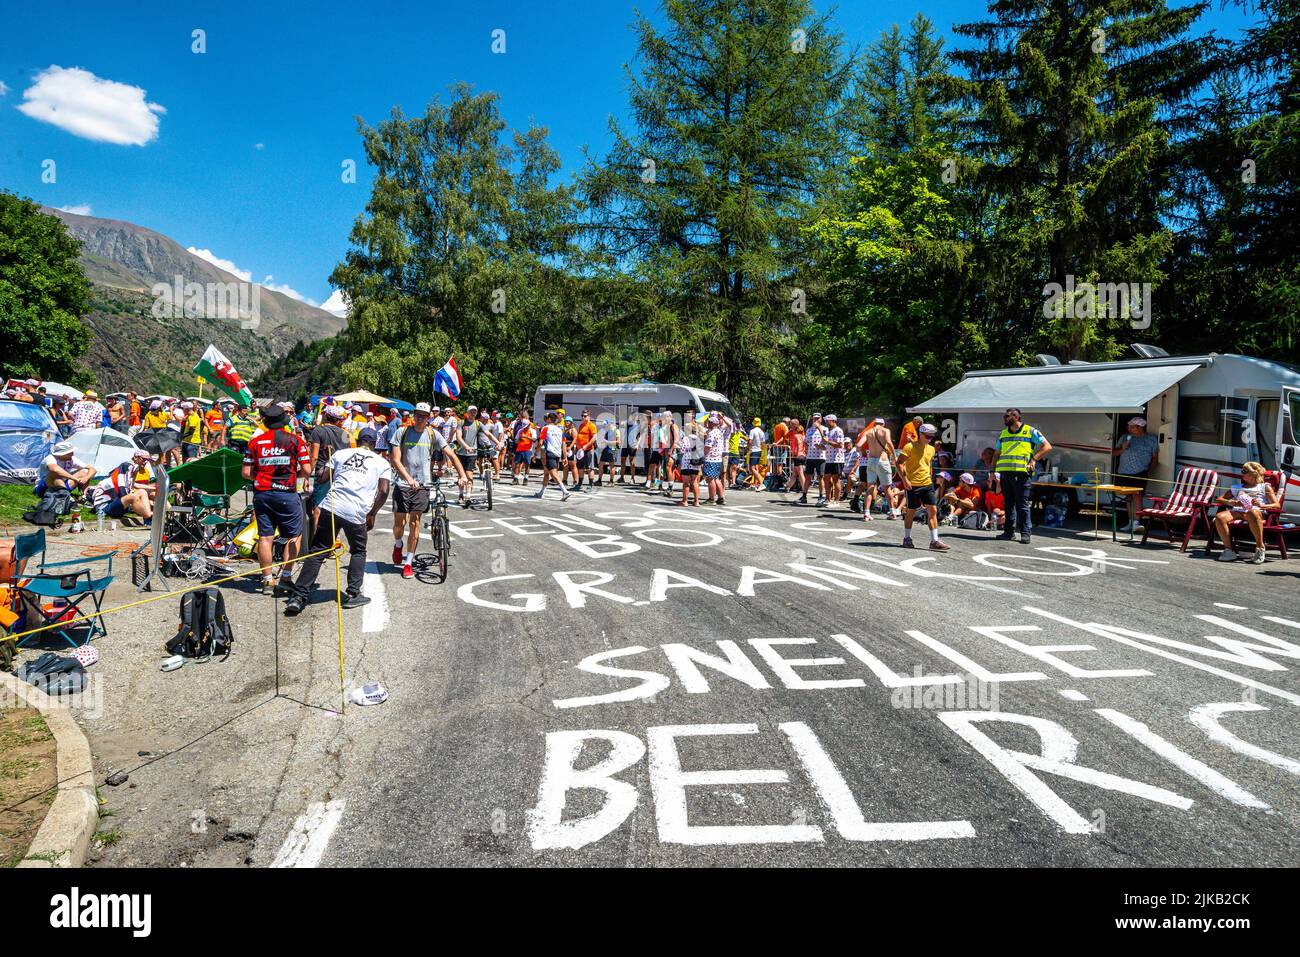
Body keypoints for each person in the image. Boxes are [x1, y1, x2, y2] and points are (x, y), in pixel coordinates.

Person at [285, 428, 392, 615]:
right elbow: (383, 491)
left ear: (357, 440)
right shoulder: (381, 462)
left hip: (332, 506)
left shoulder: (341, 454)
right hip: (357, 511)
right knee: (358, 550)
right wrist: (372, 513)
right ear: (374, 444)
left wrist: (329, 464)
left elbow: (322, 477)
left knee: (318, 550)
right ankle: (353, 594)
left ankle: (298, 596)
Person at [391, 402, 469, 579]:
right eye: (417, 415)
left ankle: (409, 563)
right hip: (403, 485)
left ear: (428, 418)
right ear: (413, 415)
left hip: (423, 485)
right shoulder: (401, 432)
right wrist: (409, 479)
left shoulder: (433, 434)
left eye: (423, 416)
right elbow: (395, 460)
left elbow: (452, 455)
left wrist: (462, 475)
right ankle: (397, 544)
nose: (419, 418)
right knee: (399, 524)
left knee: (415, 523)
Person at [242, 402, 311, 595]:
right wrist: (291, 476)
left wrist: (264, 476)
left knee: (265, 537)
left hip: (262, 493)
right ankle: (286, 577)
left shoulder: (255, 442)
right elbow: (306, 470)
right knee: (294, 536)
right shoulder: (295, 440)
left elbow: (246, 473)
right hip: (286, 493)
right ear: (284, 421)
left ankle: (266, 580)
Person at [995, 408, 1052, 544]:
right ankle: (1009, 533)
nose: (1004, 418)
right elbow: (997, 453)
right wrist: (992, 471)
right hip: (1005, 473)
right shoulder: (1003, 434)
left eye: (1007, 416)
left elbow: (1047, 446)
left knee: (1022, 504)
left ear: (1016, 417)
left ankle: (1025, 533)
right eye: (1004, 416)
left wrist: (1034, 460)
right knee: (1008, 504)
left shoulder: (1030, 431)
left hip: (1021, 474)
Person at [1211, 462, 1278, 564]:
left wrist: (1262, 505)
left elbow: (1276, 504)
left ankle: (1260, 548)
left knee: (1252, 512)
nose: (1241, 473)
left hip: (1256, 513)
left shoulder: (1264, 487)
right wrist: (1232, 502)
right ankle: (1229, 550)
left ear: (1254, 474)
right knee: (1220, 517)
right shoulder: (1237, 487)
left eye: (1244, 471)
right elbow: (1219, 499)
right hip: (1238, 511)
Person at [898, 423, 949, 551]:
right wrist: (905, 480)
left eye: (931, 437)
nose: (929, 438)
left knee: (933, 511)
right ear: (920, 434)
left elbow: (928, 464)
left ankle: (934, 541)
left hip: (927, 484)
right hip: (912, 485)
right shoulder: (909, 447)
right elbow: (898, 463)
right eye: (927, 436)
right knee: (911, 511)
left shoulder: (931, 449)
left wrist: (931, 478)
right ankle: (907, 538)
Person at [1114, 416, 1159, 532]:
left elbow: (1155, 458)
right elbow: (1114, 453)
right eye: (1129, 426)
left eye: (1132, 427)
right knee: (1128, 497)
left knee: (1137, 496)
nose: (1129, 428)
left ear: (1140, 427)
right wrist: (1123, 449)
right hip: (1123, 472)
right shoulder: (1125, 437)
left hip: (1140, 472)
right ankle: (1130, 522)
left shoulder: (1151, 439)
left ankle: (1136, 522)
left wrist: (1149, 472)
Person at [307, 405, 351, 519]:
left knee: (318, 508)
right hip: (341, 473)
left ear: (326, 416)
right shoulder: (345, 434)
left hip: (324, 472)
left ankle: (318, 536)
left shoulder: (318, 431)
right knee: (336, 507)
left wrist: (306, 476)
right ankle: (334, 536)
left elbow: (314, 457)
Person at [91, 451, 155, 522]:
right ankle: (149, 516)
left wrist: (155, 488)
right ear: (136, 458)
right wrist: (136, 504)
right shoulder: (127, 466)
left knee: (142, 492)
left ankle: (148, 517)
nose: (146, 462)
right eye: (144, 459)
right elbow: (123, 490)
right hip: (104, 507)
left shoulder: (133, 468)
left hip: (114, 501)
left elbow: (134, 485)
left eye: (148, 460)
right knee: (133, 497)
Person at [855, 417, 895, 520]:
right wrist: (894, 456)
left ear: (874, 424)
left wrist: (864, 451)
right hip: (882, 459)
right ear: (883, 424)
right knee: (887, 488)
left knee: (870, 487)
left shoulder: (868, 432)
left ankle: (867, 513)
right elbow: (889, 443)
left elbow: (858, 445)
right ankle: (892, 512)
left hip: (871, 460)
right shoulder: (885, 430)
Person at [535, 410, 572, 501]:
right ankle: (542, 492)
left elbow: (540, 442)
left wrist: (536, 453)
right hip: (557, 454)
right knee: (546, 472)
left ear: (549, 419)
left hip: (549, 452)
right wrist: (565, 457)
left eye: (546, 418)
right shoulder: (560, 430)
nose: (545, 419)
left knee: (552, 473)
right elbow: (564, 444)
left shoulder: (545, 428)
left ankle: (565, 491)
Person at [702, 412, 731, 505]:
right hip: (718, 458)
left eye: (710, 422)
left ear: (713, 423)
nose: (708, 424)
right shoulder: (719, 432)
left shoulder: (711, 433)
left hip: (711, 458)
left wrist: (703, 454)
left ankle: (711, 499)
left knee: (710, 479)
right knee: (716, 478)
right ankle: (721, 497)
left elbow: (708, 447)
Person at [800, 413, 827, 505]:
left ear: (821, 419)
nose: (815, 420)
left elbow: (826, 440)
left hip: (820, 457)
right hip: (810, 457)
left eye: (817, 418)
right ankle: (804, 496)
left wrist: (819, 428)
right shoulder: (809, 430)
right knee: (807, 476)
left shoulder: (825, 429)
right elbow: (806, 442)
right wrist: (806, 450)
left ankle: (821, 497)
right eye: (814, 418)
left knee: (820, 477)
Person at [675, 418, 703, 506]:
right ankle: (696, 501)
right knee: (695, 482)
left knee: (686, 483)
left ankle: (685, 501)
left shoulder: (686, 438)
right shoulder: (699, 439)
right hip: (696, 463)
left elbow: (682, 451)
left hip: (687, 463)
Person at [823, 414, 847, 506]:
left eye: (827, 420)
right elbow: (828, 445)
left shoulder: (838, 430)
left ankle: (837, 501)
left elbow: (840, 445)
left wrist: (827, 441)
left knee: (836, 479)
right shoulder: (830, 431)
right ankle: (828, 499)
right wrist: (820, 446)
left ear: (833, 421)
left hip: (837, 459)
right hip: (829, 459)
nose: (826, 422)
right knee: (827, 479)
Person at [574, 409, 599, 491]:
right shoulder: (581, 425)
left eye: (585, 416)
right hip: (580, 450)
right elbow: (578, 437)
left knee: (589, 468)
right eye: (582, 416)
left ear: (589, 416)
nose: (583, 417)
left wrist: (587, 445)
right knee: (580, 467)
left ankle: (590, 485)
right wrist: (577, 448)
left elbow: (594, 437)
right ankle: (579, 484)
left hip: (588, 450)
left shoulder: (591, 425)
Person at [513, 413, 536, 484]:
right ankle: (515, 478)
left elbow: (534, 439)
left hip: (527, 450)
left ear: (529, 425)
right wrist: (519, 439)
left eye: (526, 426)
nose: (524, 427)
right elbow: (516, 440)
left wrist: (526, 437)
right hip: (519, 449)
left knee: (527, 464)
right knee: (517, 464)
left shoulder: (532, 431)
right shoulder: (520, 430)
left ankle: (526, 478)